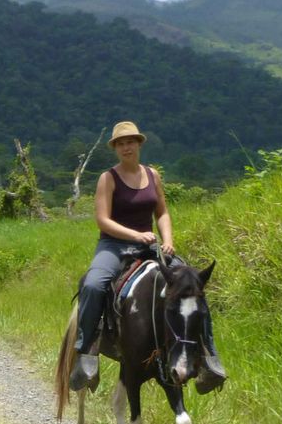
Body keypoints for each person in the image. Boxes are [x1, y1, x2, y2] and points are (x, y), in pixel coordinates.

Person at [68, 121, 226, 393]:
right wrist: (135, 234)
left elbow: (162, 212)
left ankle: (209, 356)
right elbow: (103, 220)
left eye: (130, 142)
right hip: (114, 246)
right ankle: (85, 353)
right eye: (120, 144)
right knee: (93, 285)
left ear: (139, 144)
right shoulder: (108, 178)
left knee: (193, 285)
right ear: (115, 148)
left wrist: (168, 240)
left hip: (149, 246)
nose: (126, 147)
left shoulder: (153, 175)